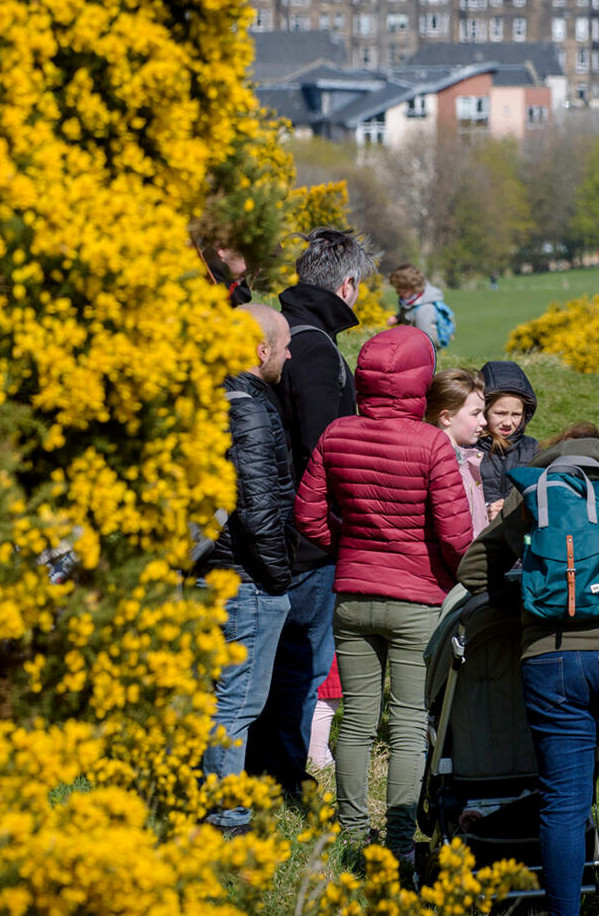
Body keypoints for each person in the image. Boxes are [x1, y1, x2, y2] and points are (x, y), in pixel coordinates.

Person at [457, 422, 599, 916]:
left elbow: (472, 570)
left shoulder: (533, 494)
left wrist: (533, 593)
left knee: (562, 803)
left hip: (551, 657)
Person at [294, 326, 476, 865]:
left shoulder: (337, 433)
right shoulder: (432, 443)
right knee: (408, 722)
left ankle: (353, 831)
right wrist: (444, 579)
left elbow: (307, 516)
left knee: (355, 719)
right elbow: (456, 537)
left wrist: (347, 547)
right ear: (421, 380)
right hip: (416, 601)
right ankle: (398, 840)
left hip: (351, 596)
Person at [247, 227, 377, 797]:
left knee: (272, 664)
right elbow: (325, 450)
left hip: (276, 529)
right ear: (346, 284)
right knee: (299, 663)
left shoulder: (284, 333)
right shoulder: (318, 349)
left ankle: (266, 769)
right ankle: (282, 776)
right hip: (308, 539)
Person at [199, 305, 296, 835]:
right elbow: (259, 509)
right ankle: (227, 819)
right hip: (245, 578)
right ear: (262, 351)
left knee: (209, 698)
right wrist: (279, 578)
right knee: (235, 704)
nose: (288, 352)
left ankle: (199, 803)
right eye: (282, 344)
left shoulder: (206, 398)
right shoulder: (252, 410)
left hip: (204, 571)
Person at [428, 367, 490, 534]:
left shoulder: (465, 461)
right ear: (447, 417)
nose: (484, 421)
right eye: (475, 413)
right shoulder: (444, 468)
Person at [475, 360, 539, 517]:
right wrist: (484, 511)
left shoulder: (532, 448)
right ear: (484, 411)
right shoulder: (468, 448)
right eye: (500, 413)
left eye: (516, 414)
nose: (508, 423)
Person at [388, 263, 449, 350]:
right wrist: (397, 318)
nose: (397, 293)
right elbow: (408, 313)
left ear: (411, 288)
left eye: (400, 291)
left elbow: (427, 340)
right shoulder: (410, 300)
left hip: (424, 349)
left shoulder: (424, 310)